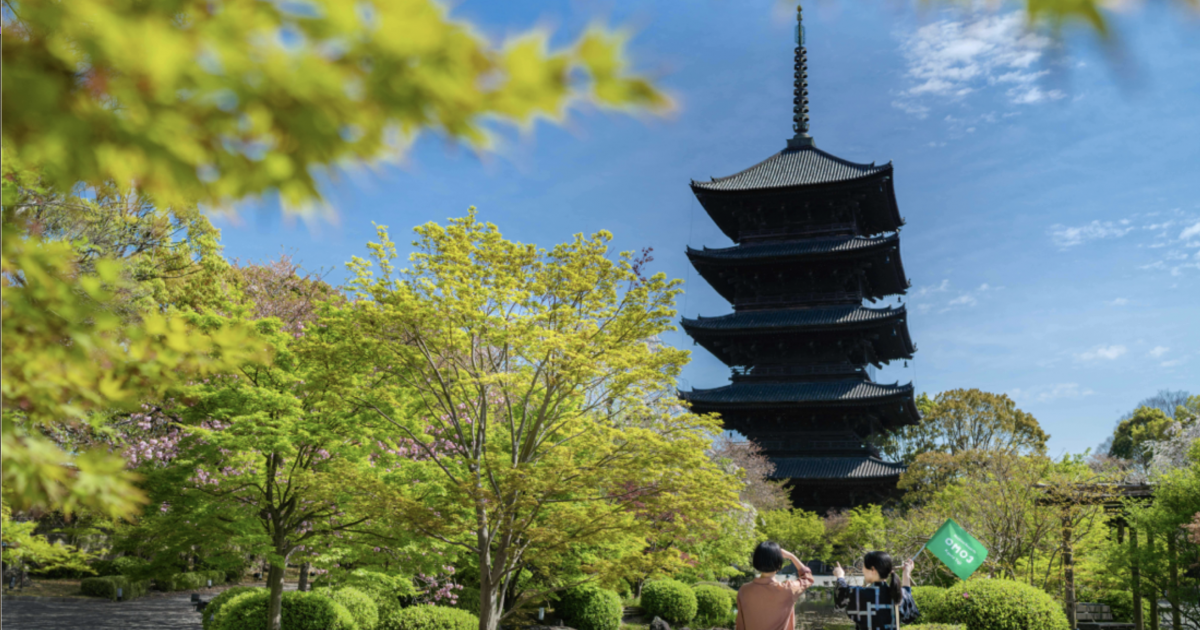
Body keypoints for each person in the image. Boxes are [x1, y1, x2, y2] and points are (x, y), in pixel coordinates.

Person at [734, 542, 815, 630]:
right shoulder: (788, 589)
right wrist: (792, 556)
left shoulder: (744, 590)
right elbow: (808, 578)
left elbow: (740, 625)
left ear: (756, 562)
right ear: (779, 564)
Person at [833, 551, 918, 630]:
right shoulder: (899, 594)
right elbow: (908, 603)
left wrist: (840, 576)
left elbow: (841, 593)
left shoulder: (859, 594)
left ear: (873, 570)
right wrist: (906, 574)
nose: (862, 570)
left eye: (863, 567)